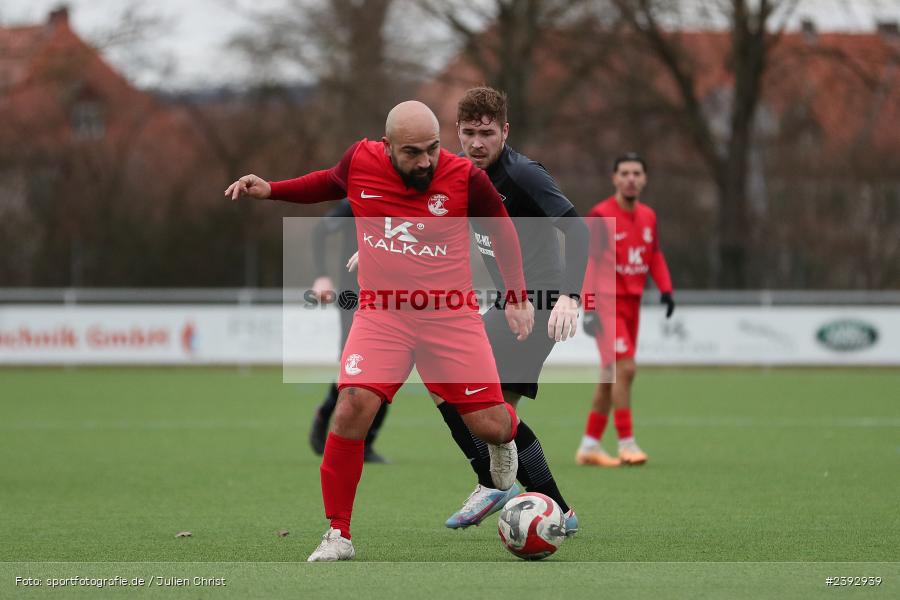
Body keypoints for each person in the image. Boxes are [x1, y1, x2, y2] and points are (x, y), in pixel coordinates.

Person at [225, 101, 534, 562]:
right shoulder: (360, 160)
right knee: (351, 406)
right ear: (387, 146)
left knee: (488, 423)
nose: (425, 161)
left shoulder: (465, 177)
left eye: (432, 148)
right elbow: (328, 183)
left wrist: (517, 296)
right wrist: (270, 189)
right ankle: (339, 534)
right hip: (382, 316)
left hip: (449, 318)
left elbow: (503, 230)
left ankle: (505, 443)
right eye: (412, 153)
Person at [436, 87, 589, 533]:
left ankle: (492, 482)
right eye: (468, 133)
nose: (477, 143)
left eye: (487, 133)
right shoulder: (459, 173)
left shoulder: (524, 176)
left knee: (454, 384)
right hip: (510, 304)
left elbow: (579, 233)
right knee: (498, 415)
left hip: (537, 307)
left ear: (504, 131)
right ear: (457, 133)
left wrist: (569, 297)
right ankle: (559, 511)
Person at [577, 152, 675, 467]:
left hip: (633, 305)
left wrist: (666, 289)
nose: (631, 178)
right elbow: (587, 263)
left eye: (637, 173)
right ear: (615, 178)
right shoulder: (599, 215)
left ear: (644, 179)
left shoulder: (649, 216)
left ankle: (589, 446)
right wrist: (588, 308)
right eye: (625, 173)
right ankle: (626, 442)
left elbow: (655, 255)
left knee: (610, 376)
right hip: (606, 304)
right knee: (625, 369)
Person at [308, 199, 389, 464]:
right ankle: (326, 412)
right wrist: (321, 274)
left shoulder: (413, 198)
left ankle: (367, 443)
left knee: (391, 369)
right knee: (354, 365)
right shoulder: (358, 199)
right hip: (354, 296)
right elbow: (321, 230)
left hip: (396, 296)